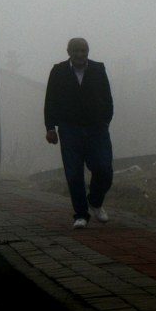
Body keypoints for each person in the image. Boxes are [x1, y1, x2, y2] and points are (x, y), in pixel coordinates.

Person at [44, 37, 114, 229]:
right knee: (74, 173)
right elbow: (50, 100)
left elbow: (107, 98)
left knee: (104, 169)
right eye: (76, 51)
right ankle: (81, 215)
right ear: (69, 52)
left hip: (97, 128)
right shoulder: (58, 72)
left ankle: (95, 201)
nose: (80, 54)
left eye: (83, 50)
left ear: (88, 52)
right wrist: (50, 127)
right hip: (70, 128)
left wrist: (105, 120)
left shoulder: (98, 69)